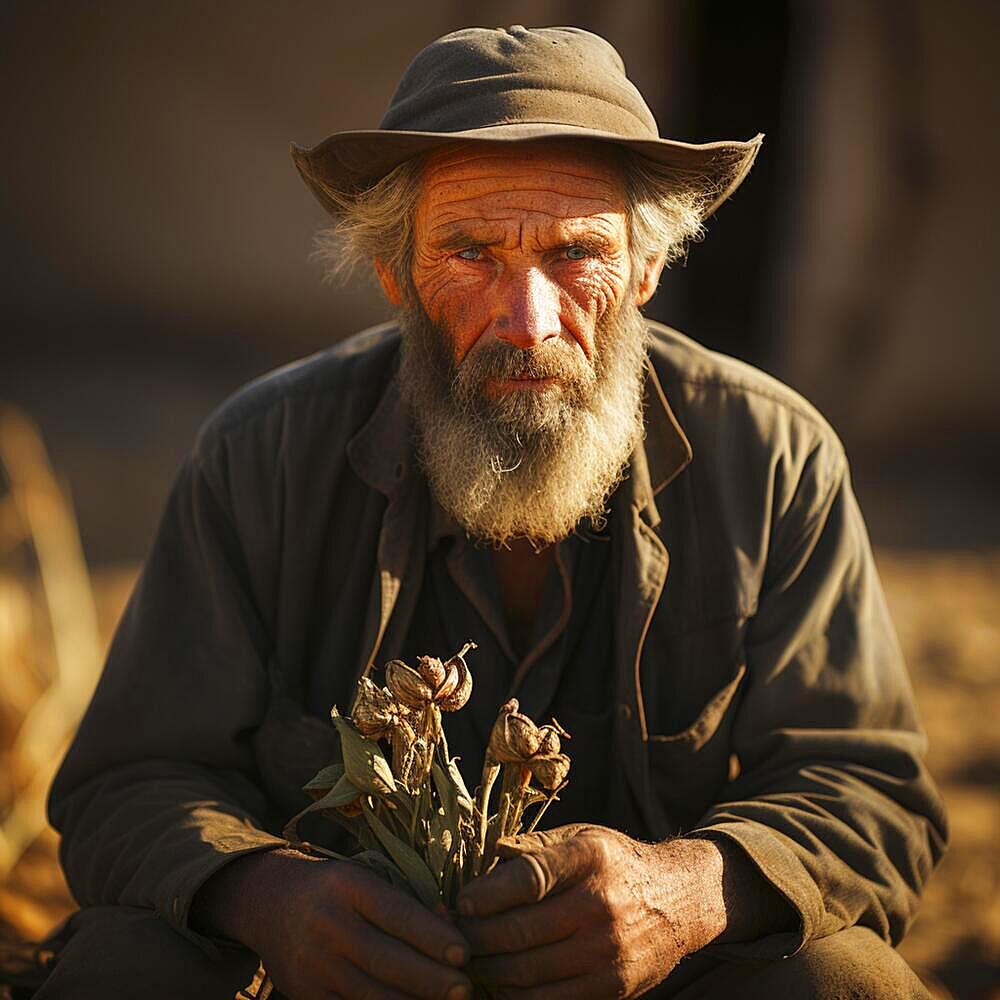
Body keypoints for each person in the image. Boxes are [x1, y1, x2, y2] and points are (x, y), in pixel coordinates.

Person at [38, 25, 946, 1000]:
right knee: (123, 968)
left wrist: (685, 892)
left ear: (645, 268)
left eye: (574, 253)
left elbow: (869, 790)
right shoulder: (259, 457)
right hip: (340, 988)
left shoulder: (772, 457)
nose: (529, 321)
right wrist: (269, 896)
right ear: (396, 273)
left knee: (846, 980)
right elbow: (125, 784)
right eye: (470, 252)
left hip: (661, 985)